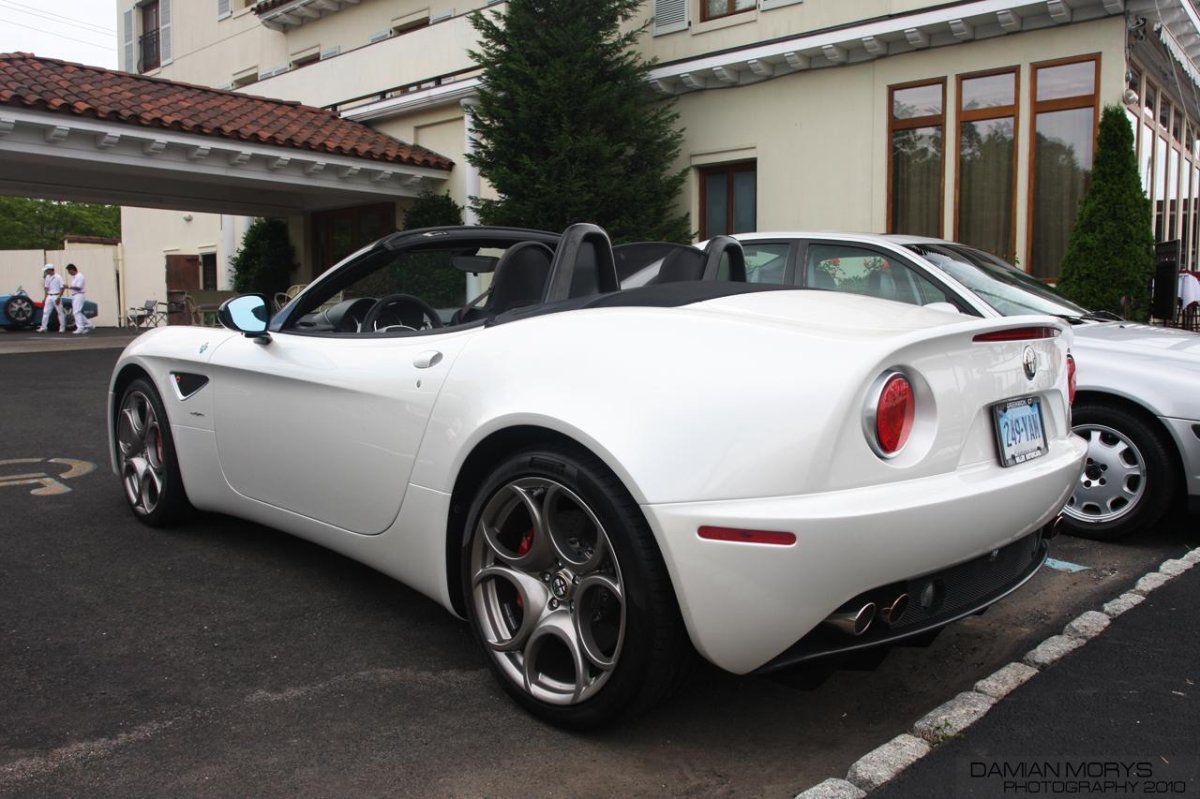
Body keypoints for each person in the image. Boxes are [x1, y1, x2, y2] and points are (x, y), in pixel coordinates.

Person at [37, 264, 65, 333]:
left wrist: (59, 297)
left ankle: (62, 328)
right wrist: (45, 297)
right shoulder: (47, 277)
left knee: (60, 312)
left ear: (50, 270)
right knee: (46, 312)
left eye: (47, 270)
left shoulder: (58, 277)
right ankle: (43, 327)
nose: (46, 272)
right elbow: (46, 288)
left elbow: (62, 288)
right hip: (49, 296)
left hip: (56, 295)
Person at [65, 264, 93, 334]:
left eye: (69, 271)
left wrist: (69, 286)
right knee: (77, 311)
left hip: (79, 294)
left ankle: (80, 327)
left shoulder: (79, 276)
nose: (69, 273)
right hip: (75, 295)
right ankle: (89, 324)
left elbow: (79, 287)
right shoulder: (75, 277)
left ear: (72, 269)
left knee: (76, 312)